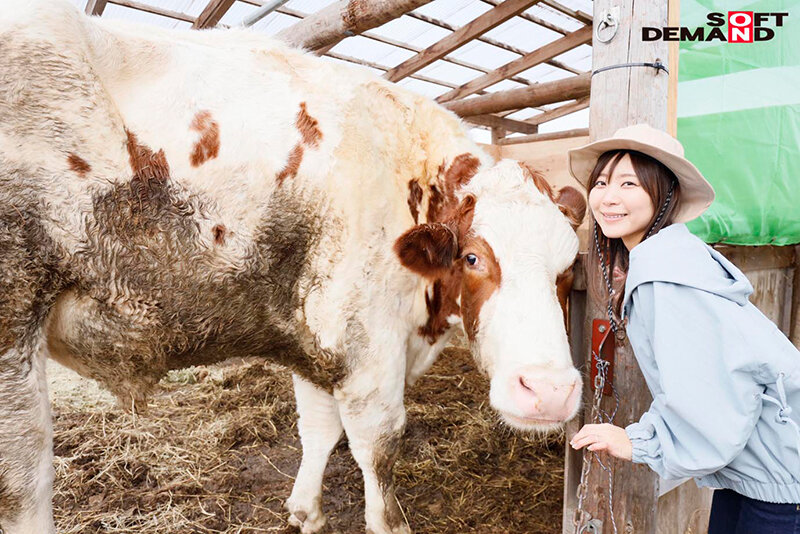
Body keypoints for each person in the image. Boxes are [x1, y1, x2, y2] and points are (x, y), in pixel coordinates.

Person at [566, 124, 800, 533]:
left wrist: (639, 442)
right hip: (759, 473)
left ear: (664, 194)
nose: (608, 197)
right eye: (601, 182)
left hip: (780, 483)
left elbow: (713, 395)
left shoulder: (666, 277)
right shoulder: (671, 258)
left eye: (628, 183)